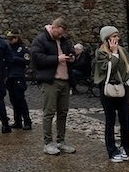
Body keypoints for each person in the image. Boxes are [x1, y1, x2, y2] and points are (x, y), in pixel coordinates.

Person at [30, 16, 77, 156]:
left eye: (62, 33)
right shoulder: (40, 39)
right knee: (49, 112)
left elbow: (71, 50)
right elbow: (37, 58)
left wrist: (72, 56)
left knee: (63, 112)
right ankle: (48, 142)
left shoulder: (63, 39)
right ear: (53, 27)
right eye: (59, 32)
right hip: (50, 81)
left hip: (65, 80)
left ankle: (61, 141)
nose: (60, 35)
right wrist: (57, 59)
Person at [93, 25, 129, 162]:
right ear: (107, 38)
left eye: (117, 35)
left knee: (125, 120)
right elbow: (106, 68)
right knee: (110, 120)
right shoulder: (100, 53)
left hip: (122, 90)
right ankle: (111, 150)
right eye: (114, 36)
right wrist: (114, 54)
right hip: (107, 90)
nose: (117, 38)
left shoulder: (123, 51)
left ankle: (125, 148)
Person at [5, 31, 32, 129]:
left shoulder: (22, 49)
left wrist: (14, 59)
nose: (10, 41)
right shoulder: (8, 48)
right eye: (9, 39)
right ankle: (17, 121)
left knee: (20, 99)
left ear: (16, 38)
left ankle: (27, 121)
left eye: (12, 39)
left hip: (18, 75)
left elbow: (27, 60)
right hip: (10, 76)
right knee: (13, 100)